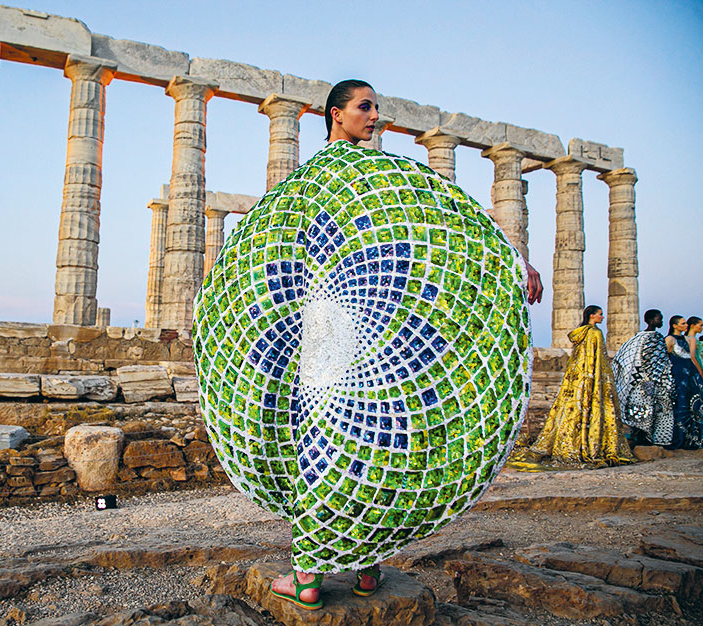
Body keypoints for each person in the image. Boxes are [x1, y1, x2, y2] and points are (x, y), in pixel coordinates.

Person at [193, 79, 540, 611]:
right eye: (365, 107)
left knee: (349, 438)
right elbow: (274, 244)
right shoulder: (354, 178)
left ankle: (320, 572)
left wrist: (512, 261)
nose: (375, 116)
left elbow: (445, 224)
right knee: (345, 435)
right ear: (336, 115)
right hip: (331, 321)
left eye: (375, 107)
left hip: (358, 320)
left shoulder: (344, 179)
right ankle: (357, 568)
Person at [529, 305, 636, 466]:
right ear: (592, 316)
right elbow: (600, 359)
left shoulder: (580, 333)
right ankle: (591, 447)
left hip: (578, 379)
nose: (602, 317)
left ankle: (570, 444)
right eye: (600, 314)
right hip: (593, 377)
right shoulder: (595, 333)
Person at [611, 309, 673, 446]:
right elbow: (659, 362)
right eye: (658, 319)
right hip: (650, 381)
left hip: (637, 382)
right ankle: (648, 440)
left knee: (641, 412)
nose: (661, 321)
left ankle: (639, 438)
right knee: (651, 411)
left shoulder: (637, 337)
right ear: (651, 321)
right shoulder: (655, 338)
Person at [664, 316, 703, 449]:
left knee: (691, 405)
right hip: (677, 376)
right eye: (683, 323)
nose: (686, 325)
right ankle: (678, 437)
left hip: (689, 376)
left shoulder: (687, 339)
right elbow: (665, 358)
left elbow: (692, 358)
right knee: (679, 406)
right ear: (675, 326)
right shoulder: (670, 339)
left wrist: (699, 374)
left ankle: (691, 438)